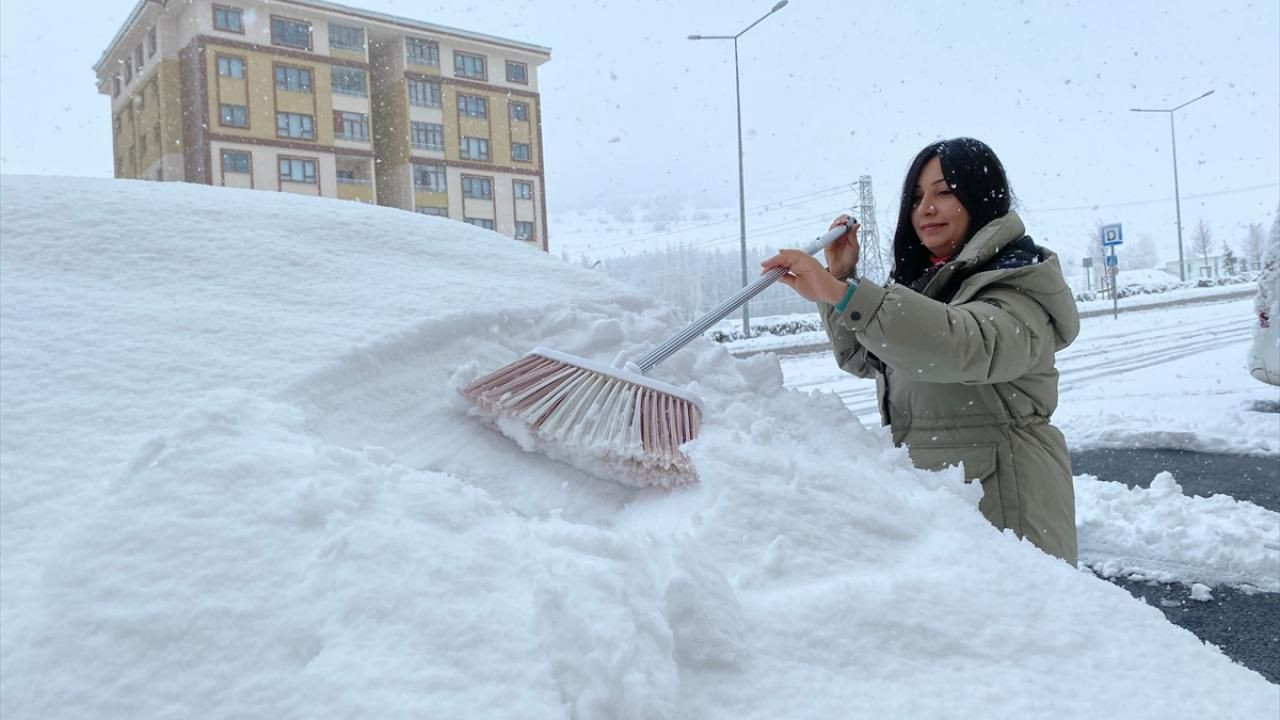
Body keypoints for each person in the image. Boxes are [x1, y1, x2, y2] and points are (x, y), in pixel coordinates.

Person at [762, 137, 1080, 564]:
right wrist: (842, 279)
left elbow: (969, 345)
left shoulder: (1016, 281)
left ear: (982, 197)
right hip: (944, 512)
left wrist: (844, 295)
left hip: (1007, 507)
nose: (925, 209)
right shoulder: (930, 284)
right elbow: (867, 357)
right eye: (915, 198)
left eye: (944, 192)